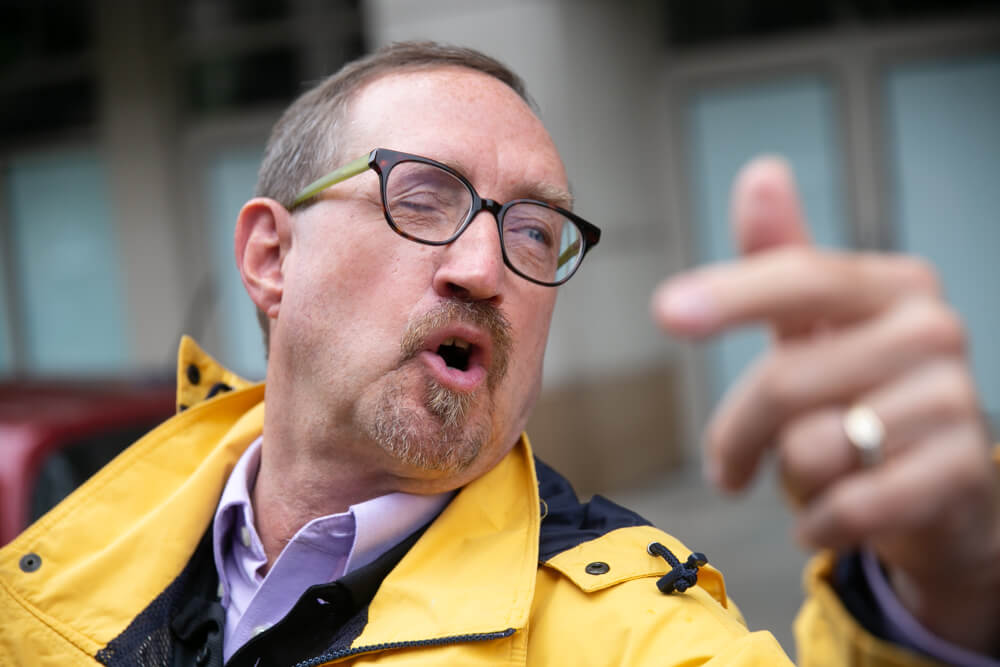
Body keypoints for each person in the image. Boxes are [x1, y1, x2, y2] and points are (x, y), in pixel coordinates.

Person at [1, 41, 997, 666]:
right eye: (423, 196)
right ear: (271, 256)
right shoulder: (70, 542)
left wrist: (946, 607)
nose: (484, 267)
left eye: (532, 231)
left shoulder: (624, 627)